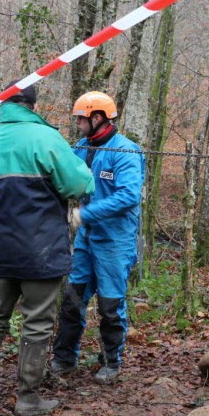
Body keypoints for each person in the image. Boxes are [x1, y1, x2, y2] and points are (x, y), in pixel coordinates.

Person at [0, 82, 95, 416]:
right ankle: (27, 399)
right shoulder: (46, 138)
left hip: (2, 247)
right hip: (42, 248)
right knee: (37, 321)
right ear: (32, 106)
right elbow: (80, 184)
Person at [51, 91, 144, 385]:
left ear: (97, 117)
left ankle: (111, 361)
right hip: (85, 241)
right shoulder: (80, 147)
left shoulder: (127, 151)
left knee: (110, 304)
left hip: (115, 241)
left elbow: (129, 196)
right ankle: (65, 358)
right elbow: (60, 171)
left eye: (81, 118)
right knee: (72, 299)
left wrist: (85, 215)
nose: (77, 123)